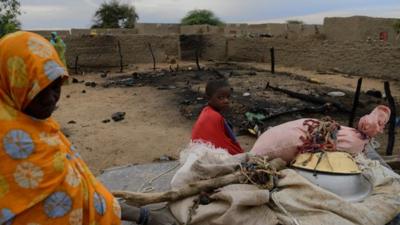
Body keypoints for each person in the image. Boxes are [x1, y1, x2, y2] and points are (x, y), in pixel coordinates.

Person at [0, 31, 175, 225]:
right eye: (38, 90)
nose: (51, 99)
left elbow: (80, 188)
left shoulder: (42, 127)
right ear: (13, 83)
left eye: (56, 87)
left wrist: (144, 216)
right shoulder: (9, 142)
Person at [191, 80, 243, 155]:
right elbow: (221, 142)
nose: (226, 101)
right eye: (220, 98)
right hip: (205, 154)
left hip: (196, 152)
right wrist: (238, 152)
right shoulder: (214, 116)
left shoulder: (207, 112)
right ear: (208, 98)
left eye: (228, 97)